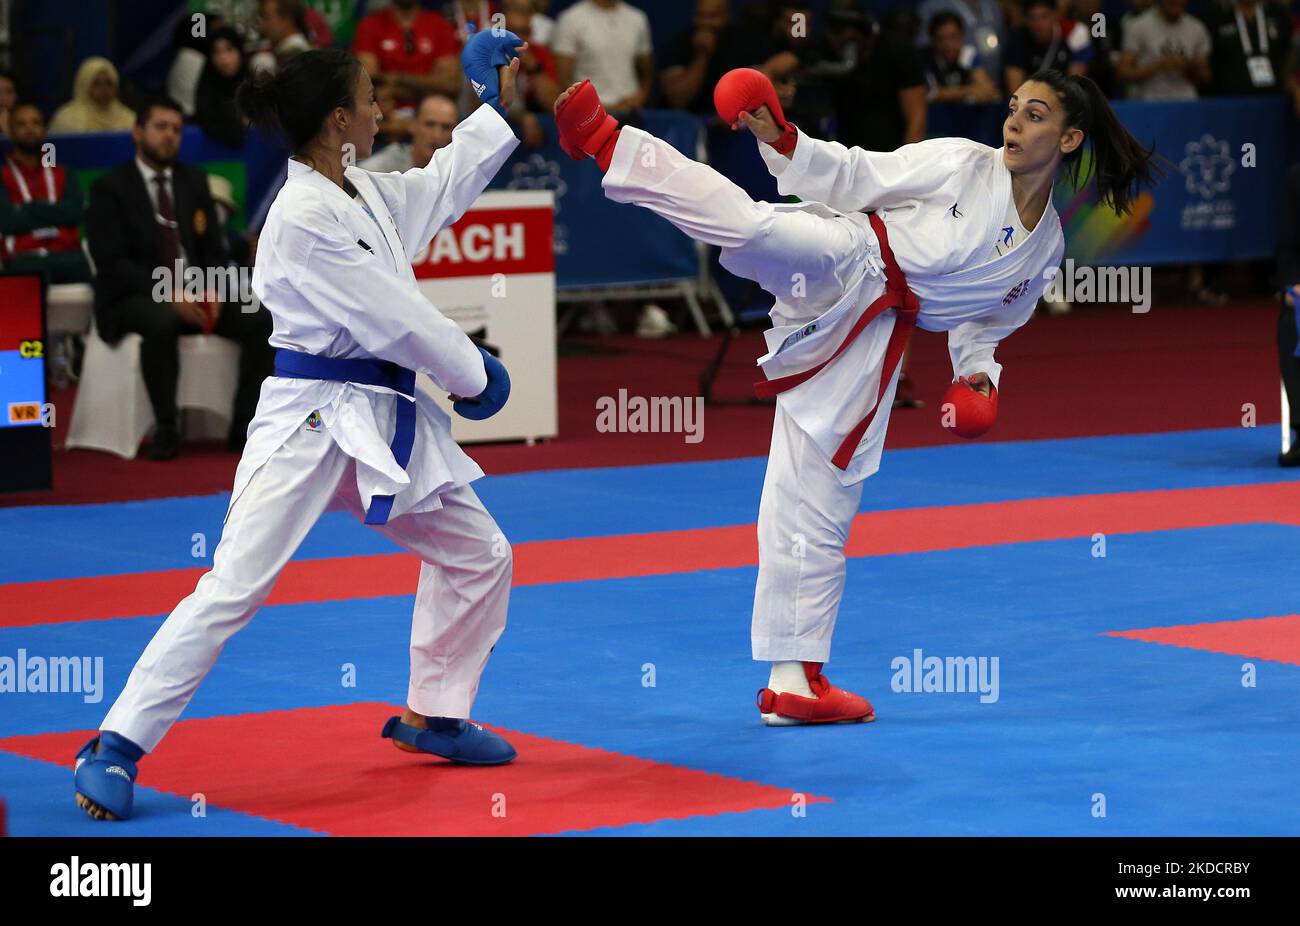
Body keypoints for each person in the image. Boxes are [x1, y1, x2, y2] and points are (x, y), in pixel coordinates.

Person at [550, 66, 1157, 724]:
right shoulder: (960, 161)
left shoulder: (1045, 252)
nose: (1013, 122)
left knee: (816, 495)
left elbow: (985, 325)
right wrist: (782, 137)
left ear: (1069, 140)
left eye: (1035, 115)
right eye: (1013, 107)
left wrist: (976, 377)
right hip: (852, 254)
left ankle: (796, 680)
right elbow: (858, 177)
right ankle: (606, 140)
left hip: (877, 336)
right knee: (758, 229)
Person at [72, 33, 528, 822]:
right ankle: (113, 744)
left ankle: (434, 714)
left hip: (380, 423)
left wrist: (489, 107)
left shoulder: (361, 193)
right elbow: (395, 318)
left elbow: (440, 186)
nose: (383, 108)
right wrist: (474, 371)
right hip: (310, 421)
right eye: (371, 97)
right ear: (335, 121)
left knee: (482, 554)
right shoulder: (302, 218)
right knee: (235, 585)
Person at [85, 97, 275, 460]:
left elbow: (212, 251)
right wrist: (166, 293)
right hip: (133, 296)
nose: (170, 136)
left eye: (176, 129)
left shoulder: (194, 181)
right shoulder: (109, 188)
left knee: (261, 320)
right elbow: (111, 262)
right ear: (137, 132)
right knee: (163, 320)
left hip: (196, 290)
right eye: (161, 127)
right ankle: (167, 428)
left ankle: (244, 428)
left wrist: (214, 289)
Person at [1, 102, 91, 284]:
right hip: (23, 259)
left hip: (68, 258)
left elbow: (77, 212)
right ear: (9, 131)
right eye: (21, 124)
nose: (29, 129)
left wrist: (27, 209)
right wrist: (56, 211)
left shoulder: (63, 173)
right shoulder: (2, 176)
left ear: (45, 130)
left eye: (36, 123)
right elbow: (7, 221)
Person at [551, 0, 653, 112]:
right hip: (589, 112)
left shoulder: (637, 18)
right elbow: (562, 78)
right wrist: (597, 107)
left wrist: (640, 98)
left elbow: (646, 70)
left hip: (632, 109)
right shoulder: (570, 19)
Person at [1116, 0, 1211, 100]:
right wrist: (1158, 66)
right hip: (1150, 102)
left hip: (1187, 102)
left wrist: (1189, 67)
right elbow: (1123, 73)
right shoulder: (1138, 26)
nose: (1177, 3)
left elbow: (1205, 76)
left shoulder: (1197, 28)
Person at [1003, 0, 1091, 95]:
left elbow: (1074, 87)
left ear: (1055, 15)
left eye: (1044, 16)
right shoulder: (1017, 39)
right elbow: (1015, 91)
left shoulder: (1074, 34)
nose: (1039, 23)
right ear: (1026, 20)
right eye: (1033, 18)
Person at [361, 91, 460, 172]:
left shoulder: (461, 170)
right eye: (430, 125)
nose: (437, 135)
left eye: (446, 127)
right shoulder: (387, 165)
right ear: (413, 125)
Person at [923, 10, 1001, 104]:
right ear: (933, 40)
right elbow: (931, 93)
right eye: (941, 38)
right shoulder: (925, 58)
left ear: (962, 36)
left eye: (953, 37)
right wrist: (969, 91)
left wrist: (950, 94)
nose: (947, 45)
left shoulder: (968, 55)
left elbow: (987, 90)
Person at [194, 26, 251, 149]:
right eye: (216, 52)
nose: (223, 58)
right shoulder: (207, 88)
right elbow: (207, 121)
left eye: (229, 49)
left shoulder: (254, 83)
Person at [49, 58, 137, 133]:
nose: (104, 89)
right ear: (83, 86)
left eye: (109, 83)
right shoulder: (66, 120)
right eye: (96, 84)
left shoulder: (129, 119)